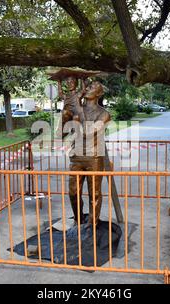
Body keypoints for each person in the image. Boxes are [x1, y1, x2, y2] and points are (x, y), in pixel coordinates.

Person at [66, 81, 111, 225]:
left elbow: (88, 132)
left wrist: (78, 114)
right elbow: (61, 132)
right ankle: (78, 220)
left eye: (92, 87)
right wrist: (65, 113)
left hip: (94, 158)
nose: (88, 88)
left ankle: (93, 224)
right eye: (88, 86)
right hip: (76, 157)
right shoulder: (77, 109)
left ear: (99, 94)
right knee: (73, 193)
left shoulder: (104, 114)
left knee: (94, 194)